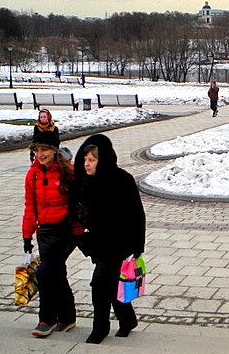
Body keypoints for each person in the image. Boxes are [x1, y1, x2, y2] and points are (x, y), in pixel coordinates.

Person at [74, 134, 145, 345]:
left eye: (91, 160)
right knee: (112, 285)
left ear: (102, 160)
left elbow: (137, 214)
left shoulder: (123, 179)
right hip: (99, 243)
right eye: (85, 159)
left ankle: (100, 329)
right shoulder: (88, 182)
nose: (86, 164)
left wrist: (137, 246)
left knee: (99, 284)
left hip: (120, 244)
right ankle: (128, 320)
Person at [21, 131, 80, 338]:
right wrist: (27, 236)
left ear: (54, 150)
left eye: (44, 149)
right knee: (56, 273)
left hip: (65, 231)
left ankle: (46, 318)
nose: (40, 154)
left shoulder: (68, 172)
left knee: (45, 272)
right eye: (36, 150)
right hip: (44, 232)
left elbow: (81, 203)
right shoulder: (33, 174)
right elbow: (30, 206)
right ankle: (68, 317)